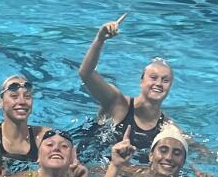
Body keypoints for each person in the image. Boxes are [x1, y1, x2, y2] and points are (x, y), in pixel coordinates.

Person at [75, 15, 177, 164]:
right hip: (92, 168)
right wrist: (100, 40)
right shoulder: (117, 102)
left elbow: (194, 149)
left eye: (165, 80)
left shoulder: (166, 127)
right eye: (153, 78)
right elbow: (86, 74)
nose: (159, 84)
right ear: (141, 81)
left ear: (170, 87)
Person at [129, 125, 218, 177]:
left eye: (177, 153)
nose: (169, 157)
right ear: (151, 155)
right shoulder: (131, 172)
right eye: (163, 150)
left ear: (184, 161)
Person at [4, 129, 91, 177]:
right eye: (49, 145)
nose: (56, 148)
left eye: (64, 146)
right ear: (38, 157)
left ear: (73, 157)